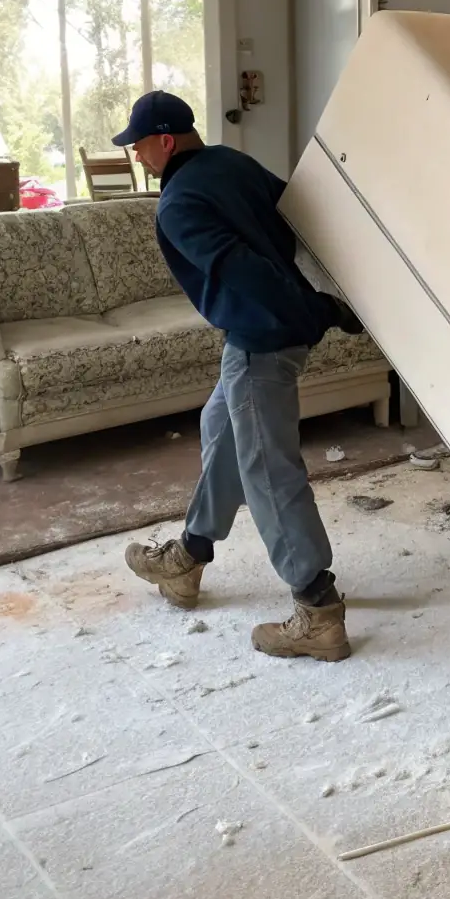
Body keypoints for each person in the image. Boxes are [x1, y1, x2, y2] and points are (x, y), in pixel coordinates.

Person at [118, 90, 362, 663]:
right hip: (269, 334)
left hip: (262, 338)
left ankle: (317, 607)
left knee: (268, 469)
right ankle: (190, 556)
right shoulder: (232, 161)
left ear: (166, 141)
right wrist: (323, 303)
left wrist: (316, 309)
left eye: (139, 146)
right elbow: (302, 213)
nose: (137, 157)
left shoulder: (177, 202)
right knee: (220, 427)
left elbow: (245, 271)